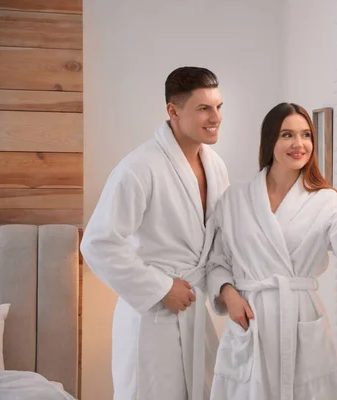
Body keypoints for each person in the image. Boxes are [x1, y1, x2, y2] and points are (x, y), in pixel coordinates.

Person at [205, 102, 337, 399]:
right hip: (252, 319)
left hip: (299, 316)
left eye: (306, 135)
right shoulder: (235, 199)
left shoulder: (324, 200)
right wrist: (229, 294)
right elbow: (216, 260)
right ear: (270, 140)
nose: (299, 144)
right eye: (287, 135)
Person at [80, 67, 229, 400]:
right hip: (153, 318)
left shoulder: (215, 165)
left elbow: (221, 238)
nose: (215, 116)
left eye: (219, 107)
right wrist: (161, 288)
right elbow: (98, 243)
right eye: (204, 108)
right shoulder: (139, 167)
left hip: (193, 308)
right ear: (173, 111)